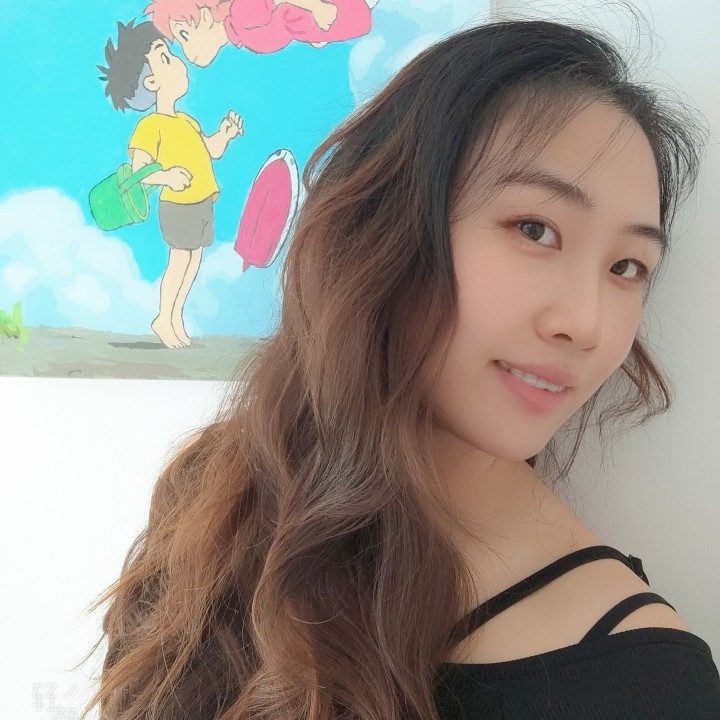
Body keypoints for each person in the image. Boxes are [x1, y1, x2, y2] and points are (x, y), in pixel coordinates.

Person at [79, 17, 719, 720]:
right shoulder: (217, 495)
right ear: (387, 225)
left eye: (628, 267)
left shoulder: (645, 681)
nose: (586, 323)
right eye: (535, 229)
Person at [98, 20, 243, 348]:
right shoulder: (151, 126)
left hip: (202, 200)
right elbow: (139, 171)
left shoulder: (186, 121)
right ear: (152, 81)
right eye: (165, 57)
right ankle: (164, 317)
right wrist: (166, 177)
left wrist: (225, 133)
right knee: (179, 260)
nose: (178, 61)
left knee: (193, 260)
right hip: (178, 205)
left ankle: (175, 316)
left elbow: (211, 150)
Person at [143, 0, 374, 66]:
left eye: (184, 36)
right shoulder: (243, 32)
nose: (188, 54)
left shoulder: (241, 14)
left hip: (339, 11)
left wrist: (317, 7)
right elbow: (283, 20)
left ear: (203, 15)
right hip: (337, 21)